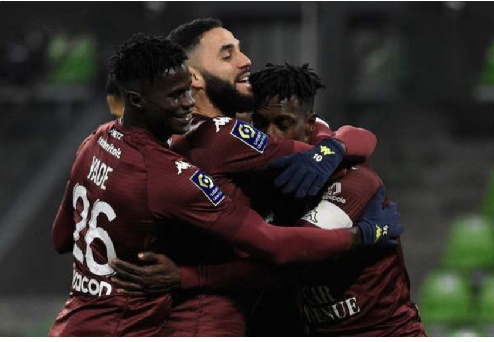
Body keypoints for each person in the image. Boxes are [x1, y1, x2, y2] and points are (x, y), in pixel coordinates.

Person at [48, 34, 401, 337]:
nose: (185, 102)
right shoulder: (187, 163)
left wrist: (330, 147)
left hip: (74, 322)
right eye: (227, 53)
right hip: (162, 323)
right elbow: (275, 249)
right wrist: (363, 235)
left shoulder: (96, 141)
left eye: (185, 91)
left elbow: (61, 237)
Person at [110, 64, 424, 337]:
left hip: (384, 331)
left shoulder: (351, 181)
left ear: (308, 125)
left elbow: (289, 258)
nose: (271, 133)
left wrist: (186, 277)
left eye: (283, 124)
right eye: (260, 123)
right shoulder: (259, 169)